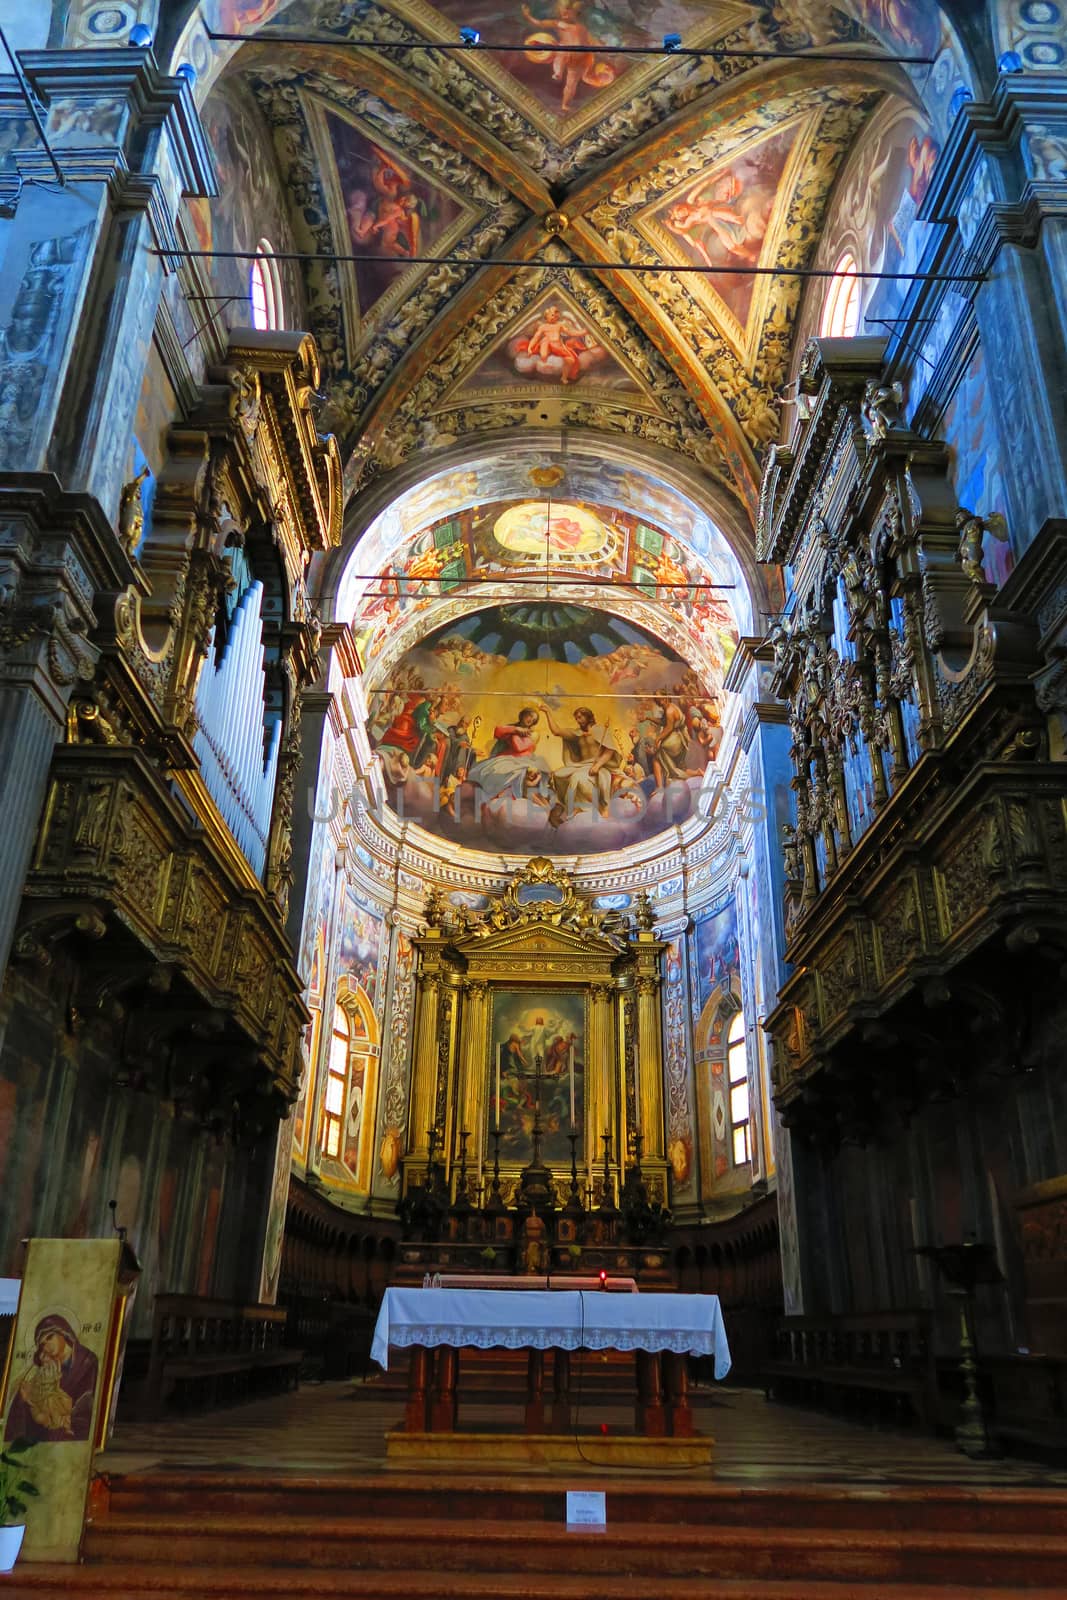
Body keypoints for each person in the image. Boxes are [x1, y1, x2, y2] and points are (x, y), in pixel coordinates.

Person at [5, 1313, 99, 1443]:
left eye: (49, 1337)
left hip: (73, 1435)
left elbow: (86, 1407)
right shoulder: (45, 1368)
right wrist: (26, 1399)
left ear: (64, 1333)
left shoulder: (86, 1362)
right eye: (42, 1344)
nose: (46, 1346)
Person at [538, 704, 620, 821]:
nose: (578, 720)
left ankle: (577, 809)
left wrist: (598, 765)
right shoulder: (577, 734)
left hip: (597, 764)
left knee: (576, 778)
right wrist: (548, 712)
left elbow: (610, 750)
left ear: (588, 717)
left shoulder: (600, 730)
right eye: (576, 718)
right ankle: (566, 804)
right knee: (557, 775)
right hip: (581, 765)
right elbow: (556, 731)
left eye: (580, 717)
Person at [469, 707, 550, 801]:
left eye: (533, 720)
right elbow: (497, 731)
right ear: (523, 715)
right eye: (529, 716)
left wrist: (514, 733)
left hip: (522, 760)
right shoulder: (513, 728)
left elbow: (519, 747)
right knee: (482, 772)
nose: (530, 720)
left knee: (512, 773)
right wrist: (515, 729)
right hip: (506, 758)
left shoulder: (533, 734)